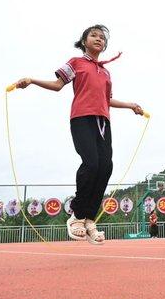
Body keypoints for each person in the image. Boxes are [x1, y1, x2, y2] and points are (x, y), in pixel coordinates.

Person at [13, 25, 144, 245]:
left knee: (106, 166)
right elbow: (57, 85)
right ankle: (77, 214)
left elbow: (107, 100)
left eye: (102, 38)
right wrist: (32, 80)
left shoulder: (106, 72)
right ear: (84, 41)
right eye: (94, 35)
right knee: (91, 163)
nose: (98, 39)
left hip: (103, 121)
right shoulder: (76, 63)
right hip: (82, 118)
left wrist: (131, 105)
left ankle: (90, 219)